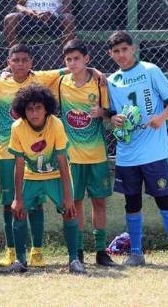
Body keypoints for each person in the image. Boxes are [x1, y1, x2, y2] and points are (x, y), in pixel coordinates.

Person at [105, 30, 168, 268]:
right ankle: (135, 253)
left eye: (125, 49)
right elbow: (111, 112)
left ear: (133, 48)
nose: (121, 55)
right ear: (110, 54)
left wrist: (161, 117)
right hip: (127, 153)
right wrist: (114, 119)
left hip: (153, 151)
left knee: (164, 200)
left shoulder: (150, 70)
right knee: (132, 203)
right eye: (116, 51)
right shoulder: (112, 81)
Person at [0, 44, 65, 268]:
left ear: (31, 62)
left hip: (34, 154)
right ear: (8, 62)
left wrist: (94, 72)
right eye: (15, 60)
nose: (20, 64)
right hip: (6, 152)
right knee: (9, 203)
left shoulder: (41, 79)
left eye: (24, 60)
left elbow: (69, 70)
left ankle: (37, 252)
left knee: (35, 203)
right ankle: (11, 251)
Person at [9, 84, 84, 274]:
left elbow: (62, 161)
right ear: (23, 111)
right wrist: (17, 198)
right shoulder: (17, 127)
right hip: (31, 177)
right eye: (29, 109)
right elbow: (18, 165)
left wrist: (68, 196)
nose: (34, 113)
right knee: (18, 212)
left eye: (38, 108)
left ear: (46, 108)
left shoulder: (56, 124)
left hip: (56, 177)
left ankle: (74, 259)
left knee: (70, 211)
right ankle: (20, 259)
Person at [54, 39, 116, 266]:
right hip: (72, 156)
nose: (72, 63)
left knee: (99, 202)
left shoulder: (99, 83)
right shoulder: (60, 83)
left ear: (87, 59)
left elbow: (111, 113)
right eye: (68, 59)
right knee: (75, 203)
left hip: (97, 154)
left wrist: (103, 112)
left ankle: (101, 251)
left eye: (77, 58)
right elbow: (33, 76)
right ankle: (77, 251)